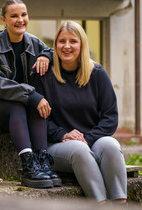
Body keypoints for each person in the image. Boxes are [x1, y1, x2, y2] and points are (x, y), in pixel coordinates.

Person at [0, 0, 61, 189]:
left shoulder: (34, 42)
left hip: (14, 110)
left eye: (23, 15)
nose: (20, 19)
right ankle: (28, 165)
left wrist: (45, 55)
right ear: (4, 20)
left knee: (34, 102)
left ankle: (41, 161)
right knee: (22, 102)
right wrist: (33, 96)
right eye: (14, 16)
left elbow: (52, 50)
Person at [35, 20, 127, 204]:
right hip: (57, 144)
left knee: (110, 145)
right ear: (55, 46)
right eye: (62, 41)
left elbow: (110, 116)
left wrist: (88, 138)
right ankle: (99, 205)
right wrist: (62, 134)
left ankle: (120, 204)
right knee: (79, 149)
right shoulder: (43, 75)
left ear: (82, 44)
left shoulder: (97, 73)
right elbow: (38, 118)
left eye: (73, 41)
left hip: (91, 140)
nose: (67, 46)